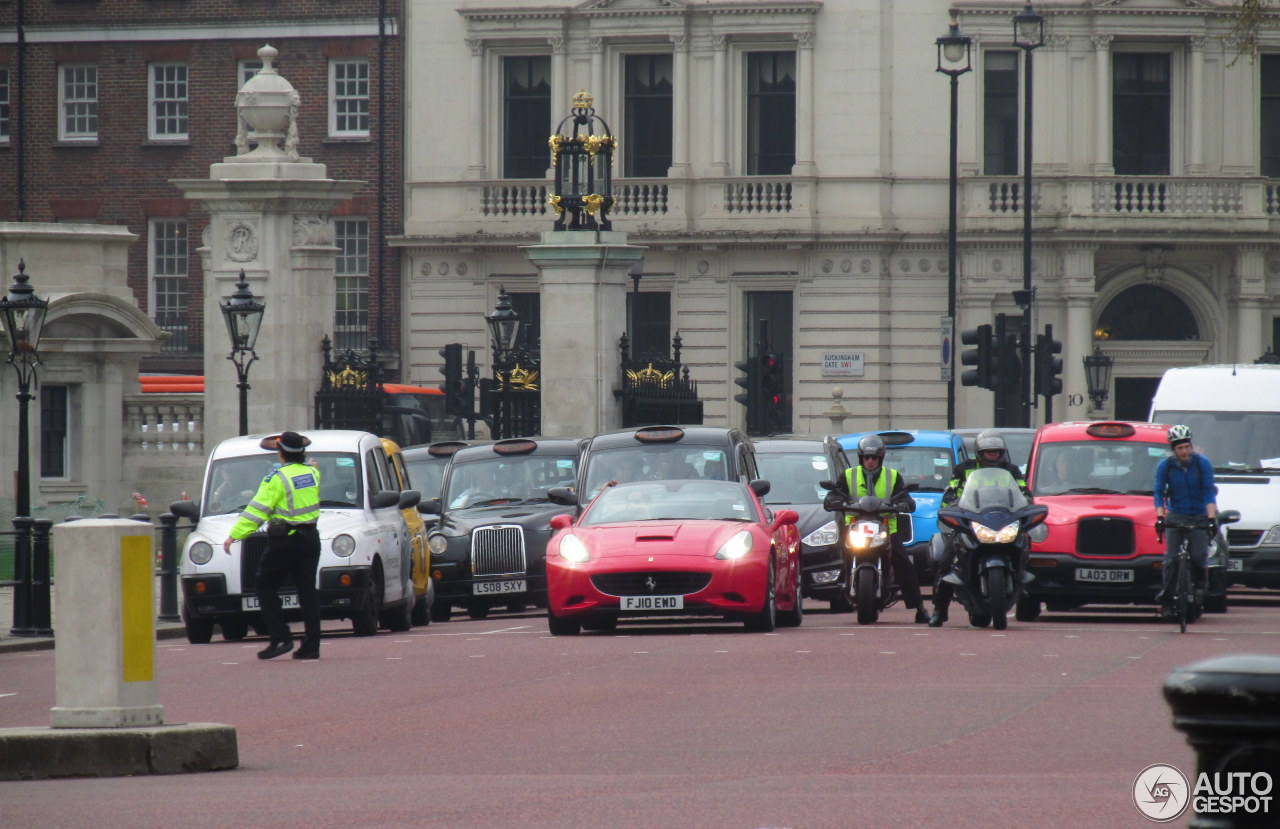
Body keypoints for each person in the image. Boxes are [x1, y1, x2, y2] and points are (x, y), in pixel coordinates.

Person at [222, 431, 323, 660]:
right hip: (311, 539)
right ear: (302, 453)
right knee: (308, 592)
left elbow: (257, 510)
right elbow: (313, 471)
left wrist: (234, 536)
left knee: (265, 585)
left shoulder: (277, 478)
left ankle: (280, 638)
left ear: (281, 452)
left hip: (286, 540)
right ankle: (311, 645)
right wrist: (312, 465)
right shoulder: (312, 474)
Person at [929, 429, 1028, 627]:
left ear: (1002, 452)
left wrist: (1028, 500)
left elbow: (1023, 491)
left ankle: (1027, 599)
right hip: (971, 522)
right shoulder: (963, 469)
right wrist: (951, 502)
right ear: (979, 452)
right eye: (988, 452)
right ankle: (940, 609)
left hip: (1003, 522)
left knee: (1026, 549)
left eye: (996, 452)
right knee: (947, 560)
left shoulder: (1012, 470)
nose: (993, 455)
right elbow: (951, 491)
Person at [840, 434, 927, 624]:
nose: (870, 462)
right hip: (856, 526)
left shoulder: (893, 476)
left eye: (874, 458)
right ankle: (838, 593)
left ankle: (919, 607)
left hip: (886, 528)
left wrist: (905, 504)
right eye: (866, 458)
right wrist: (833, 500)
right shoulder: (848, 475)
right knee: (834, 556)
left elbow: (906, 498)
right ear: (861, 458)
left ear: (881, 458)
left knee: (904, 563)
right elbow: (835, 493)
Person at [1153, 424, 1217, 620]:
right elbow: (1159, 492)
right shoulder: (1166, 466)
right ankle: (1166, 601)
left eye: (1187, 447)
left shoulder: (1202, 463)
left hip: (1199, 514)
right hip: (1177, 514)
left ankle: (1200, 585)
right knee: (1171, 558)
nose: (1184, 451)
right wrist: (1160, 517)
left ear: (1191, 446)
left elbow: (1208, 492)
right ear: (1173, 449)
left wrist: (1211, 518)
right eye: (1180, 448)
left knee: (1199, 555)